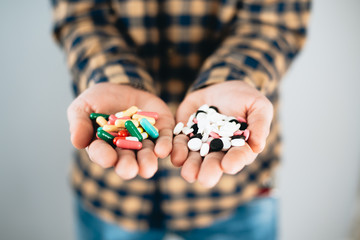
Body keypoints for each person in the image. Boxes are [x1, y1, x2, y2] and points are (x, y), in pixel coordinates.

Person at [52, 0, 311, 239]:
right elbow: (82, 17)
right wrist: (112, 78)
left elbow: (274, 23)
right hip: (111, 194)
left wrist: (231, 78)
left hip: (234, 192)